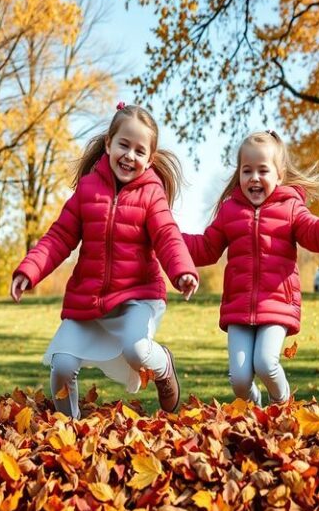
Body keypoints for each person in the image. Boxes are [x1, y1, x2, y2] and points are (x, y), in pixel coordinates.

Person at [11, 103, 199, 418]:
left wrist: (181, 271)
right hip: (90, 300)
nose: (130, 155)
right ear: (108, 144)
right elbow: (59, 237)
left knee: (137, 349)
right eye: (124, 145)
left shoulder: (152, 195)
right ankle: (67, 429)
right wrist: (29, 270)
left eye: (140, 151)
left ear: (150, 160)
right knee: (62, 365)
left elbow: (168, 235)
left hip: (137, 296)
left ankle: (163, 365)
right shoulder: (87, 191)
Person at [183, 130, 319, 406]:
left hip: (277, 304)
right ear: (239, 175)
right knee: (239, 380)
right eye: (247, 171)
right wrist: (167, 237)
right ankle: (255, 409)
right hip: (238, 308)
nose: (254, 178)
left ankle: (282, 407)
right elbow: (206, 248)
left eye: (263, 170)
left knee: (266, 363)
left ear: (279, 175)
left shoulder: (291, 208)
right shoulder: (230, 211)